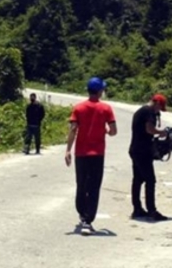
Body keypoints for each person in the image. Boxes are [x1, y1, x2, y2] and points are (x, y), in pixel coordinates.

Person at [65, 77, 117, 235]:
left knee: (81, 184)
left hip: (81, 153)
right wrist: (106, 131)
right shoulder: (106, 108)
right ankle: (88, 220)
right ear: (100, 91)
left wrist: (67, 150)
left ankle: (82, 214)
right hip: (97, 154)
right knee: (94, 187)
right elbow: (113, 131)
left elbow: (73, 129)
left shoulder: (78, 108)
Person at [129, 94, 169, 222]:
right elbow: (149, 129)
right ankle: (152, 211)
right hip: (142, 151)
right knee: (150, 180)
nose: (159, 111)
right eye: (159, 108)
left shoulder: (141, 110)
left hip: (135, 149)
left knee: (138, 180)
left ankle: (137, 209)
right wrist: (161, 132)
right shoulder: (148, 112)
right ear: (156, 103)